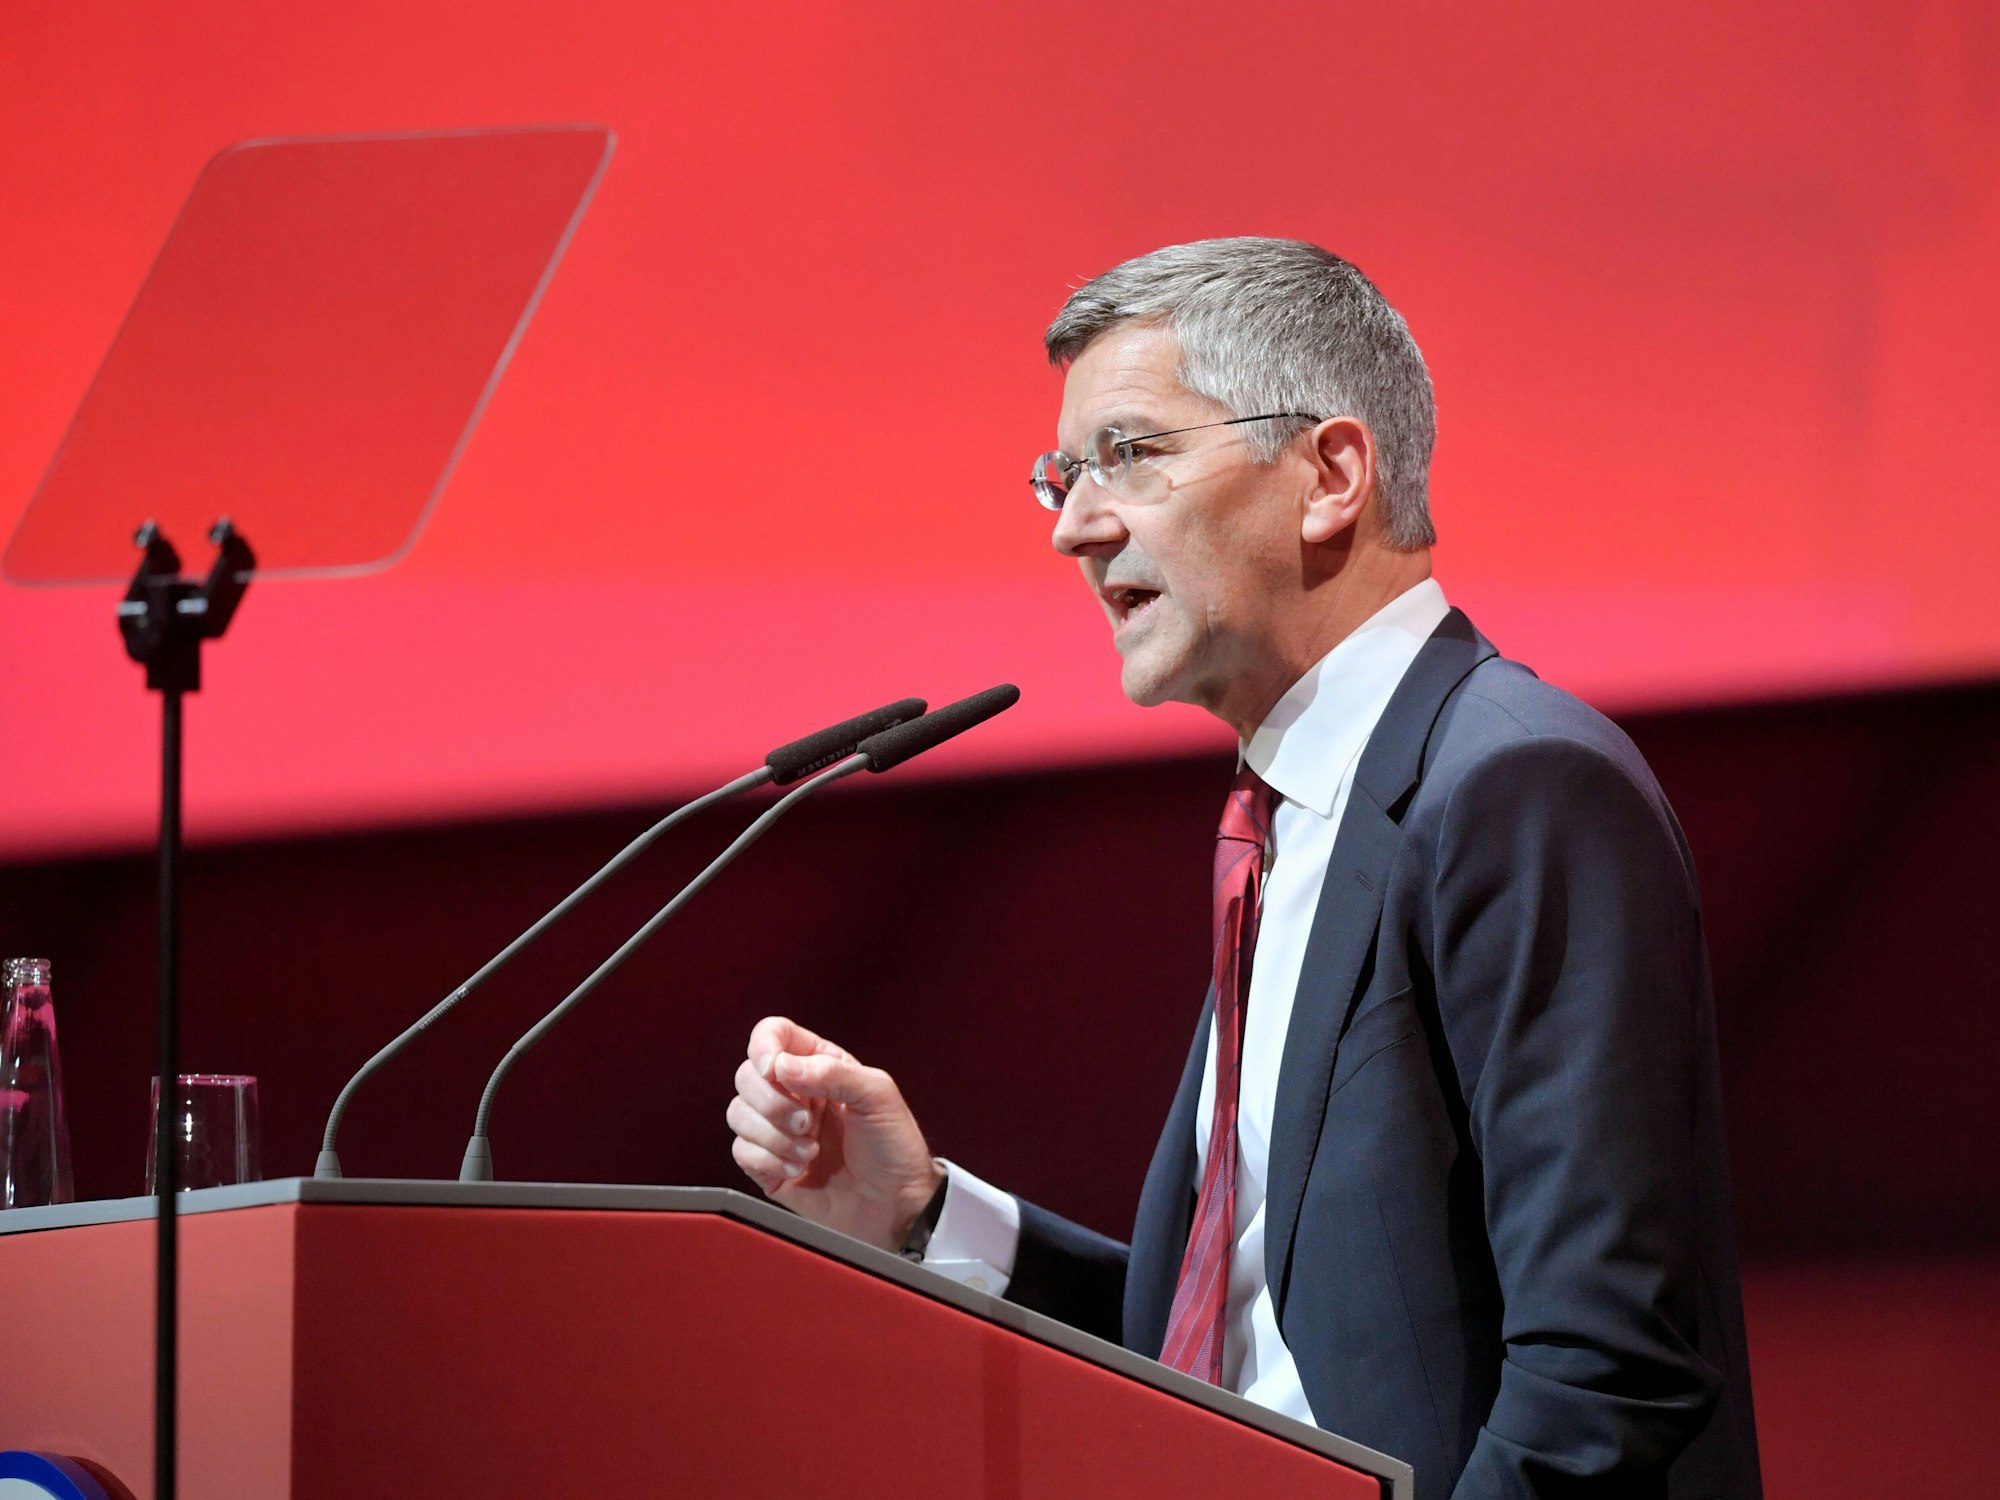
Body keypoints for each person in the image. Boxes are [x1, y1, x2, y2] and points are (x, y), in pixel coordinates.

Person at [725, 238, 1761, 1498]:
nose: (1071, 525)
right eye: (1061, 473)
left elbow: (1606, 1372)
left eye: (1130, 454)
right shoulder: (1282, 825)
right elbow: (1240, 1354)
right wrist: (927, 1213)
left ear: (1329, 474)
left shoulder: (1514, 787)